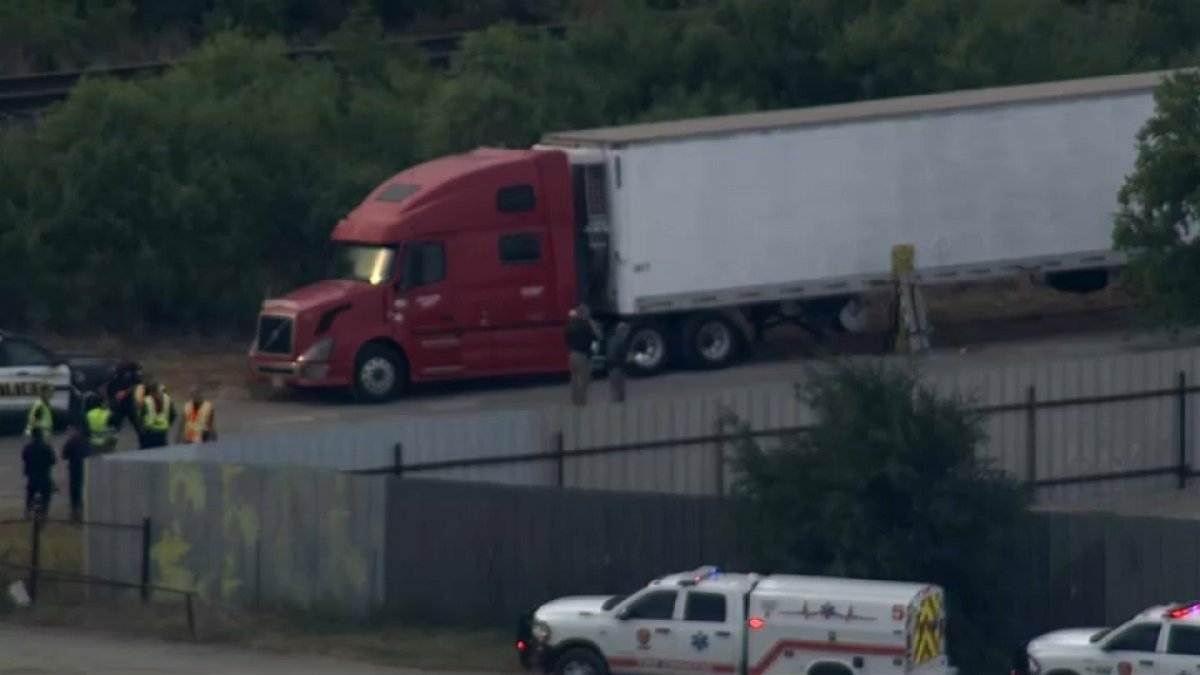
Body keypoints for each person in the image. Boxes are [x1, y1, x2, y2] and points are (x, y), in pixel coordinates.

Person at [564, 304, 599, 406]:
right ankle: (581, 401)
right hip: (583, 355)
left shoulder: (570, 323)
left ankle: (574, 399)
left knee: (574, 378)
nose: (589, 315)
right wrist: (592, 325)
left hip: (573, 354)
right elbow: (595, 337)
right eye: (587, 313)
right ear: (583, 313)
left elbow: (566, 338)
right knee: (584, 380)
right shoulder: (585, 325)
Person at [21, 428, 56, 519]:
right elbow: (53, 461)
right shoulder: (47, 447)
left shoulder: (28, 447)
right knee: (46, 495)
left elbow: (24, 457)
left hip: (31, 475)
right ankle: (45, 512)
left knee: (30, 494)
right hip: (44, 475)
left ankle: (28, 511)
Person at [61, 421, 90, 522]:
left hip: (74, 469)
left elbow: (63, 455)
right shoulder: (85, 441)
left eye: (70, 430)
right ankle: (82, 511)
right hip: (85, 468)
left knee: (74, 491)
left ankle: (75, 513)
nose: (69, 432)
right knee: (83, 490)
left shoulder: (71, 442)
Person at [139, 382, 175, 449]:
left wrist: (143, 429)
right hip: (162, 432)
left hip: (150, 433)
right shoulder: (167, 399)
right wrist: (167, 424)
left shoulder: (147, 401)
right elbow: (173, 415)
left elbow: (141, 417)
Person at [606, 322, 633, 403]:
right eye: (627, 331)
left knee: (614, 391)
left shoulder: (611, 340)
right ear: (622, 331)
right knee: (619, 393)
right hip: (618, 369)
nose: (627, 334)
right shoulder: (622, 342)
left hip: (611, 369)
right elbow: (626, 358)